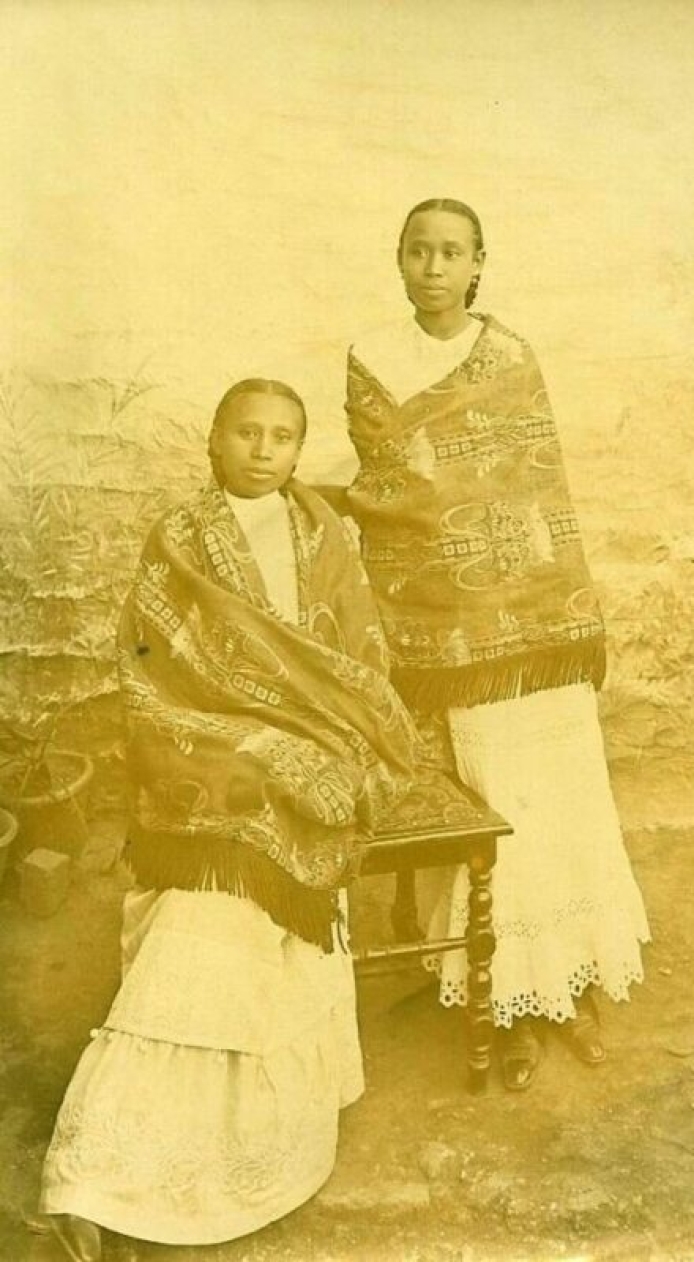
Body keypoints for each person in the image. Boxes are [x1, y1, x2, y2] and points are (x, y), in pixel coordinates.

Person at [39, 379, 419, 1260]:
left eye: (282, 436)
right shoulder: (179, 540)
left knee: (275, 840)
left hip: (321, 736)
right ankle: (102, 1176)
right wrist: (248, 739)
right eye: (244, 432)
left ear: (297, 451)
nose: (262, 449)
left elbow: (358, 657)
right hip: (199, 741)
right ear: (212, 444)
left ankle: (209, 1162)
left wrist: (318, 740)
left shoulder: (325, 535)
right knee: (206, 896)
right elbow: (150, 668)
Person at [344, 198, 650, 1091]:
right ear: (397, 261)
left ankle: (573, 985)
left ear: (479, 264)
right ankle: (501, 995)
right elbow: (390, 483)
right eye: (417, 251)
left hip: (531, 621)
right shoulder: (371, 356)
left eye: (452, 253)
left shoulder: (509, 356)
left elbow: (528, 481)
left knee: (560, 795)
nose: (434, 267)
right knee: (493, 805)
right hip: (445, 626)